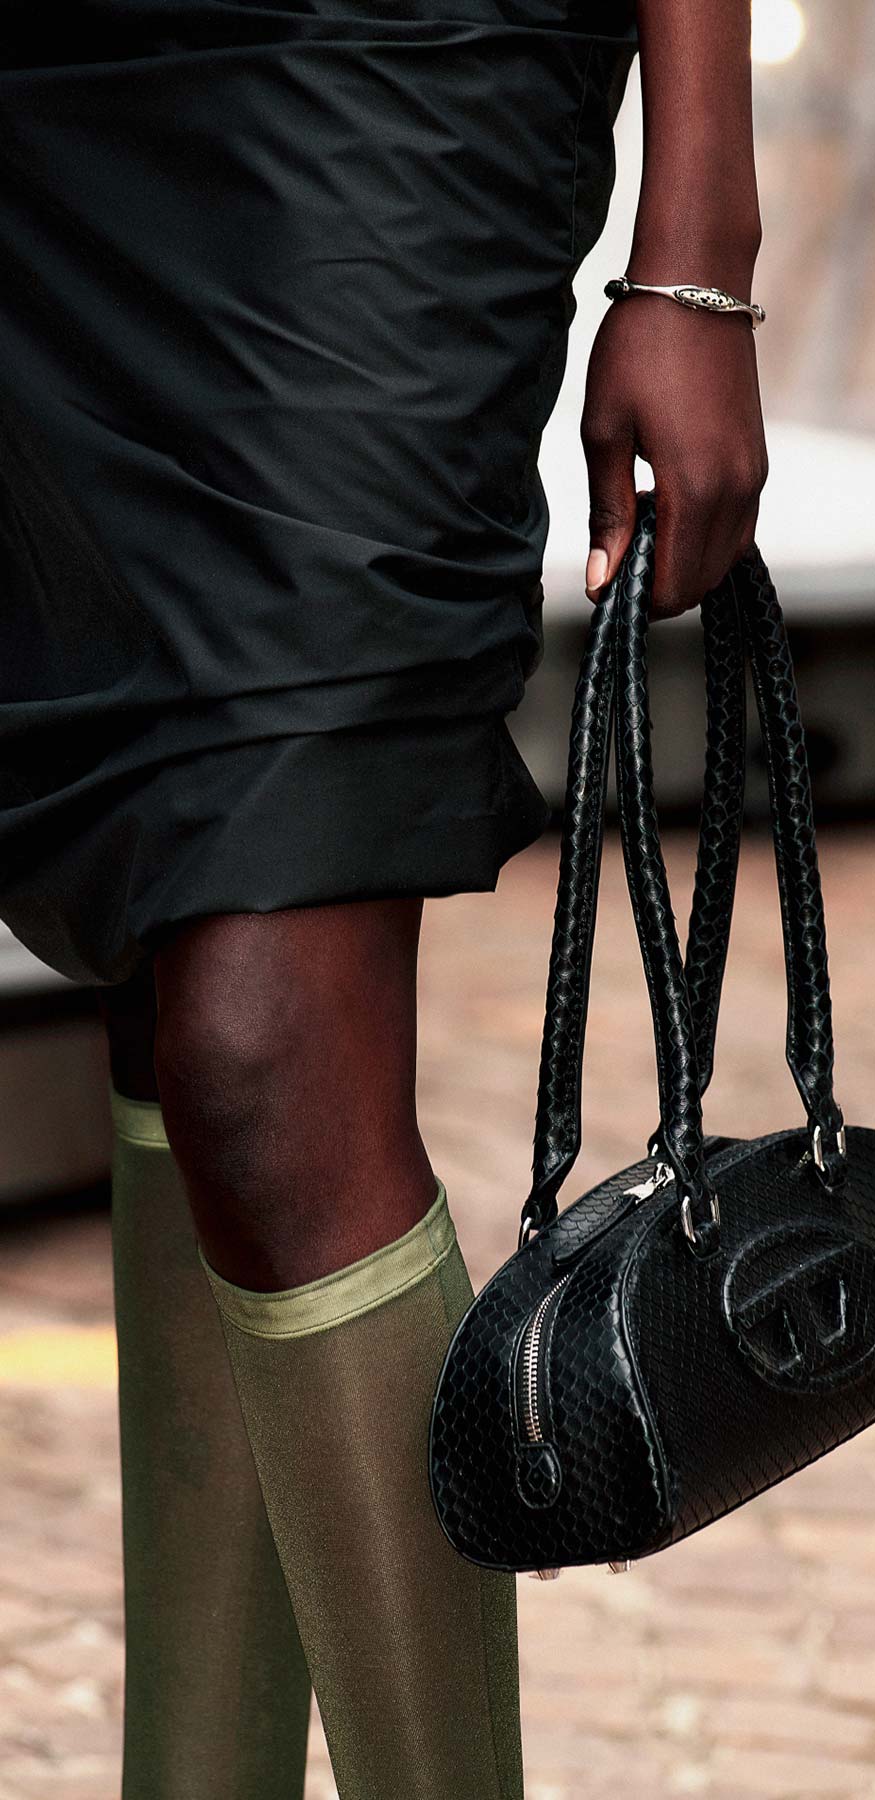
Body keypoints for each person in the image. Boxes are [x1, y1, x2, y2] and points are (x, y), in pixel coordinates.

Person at [0, 0, 767, 1791]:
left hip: (387, 69)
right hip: (63, 103)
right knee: (166, 969)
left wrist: (700, 241)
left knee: (258, 1046)